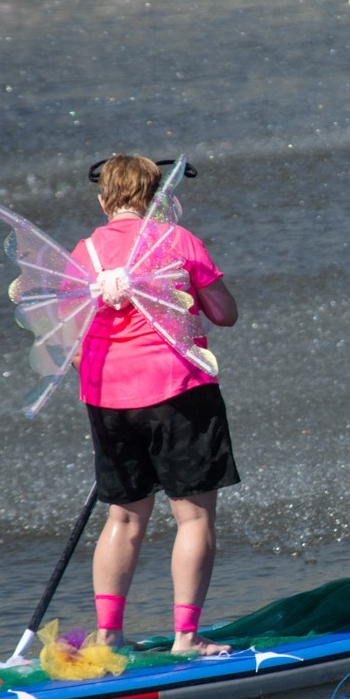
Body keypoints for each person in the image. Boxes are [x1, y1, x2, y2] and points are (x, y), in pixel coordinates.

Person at [70, 155, 241, 657]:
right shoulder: (177, 241)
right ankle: (186, 637)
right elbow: (225, 313)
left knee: (124, 518)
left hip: (106, 397)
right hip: (178, 392)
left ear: (105, 199)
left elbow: (68, 334)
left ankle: (110, 637)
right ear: (155, 197)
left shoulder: (83, 252)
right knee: (193, 517)